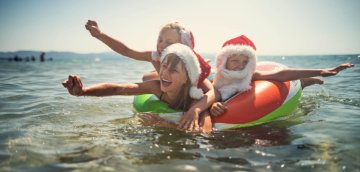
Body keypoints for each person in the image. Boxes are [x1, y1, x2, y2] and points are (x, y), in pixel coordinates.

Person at [85, 20, 214, 130]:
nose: (162, 45)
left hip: (182, 86)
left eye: (169, 43)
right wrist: (100, 35)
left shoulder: (191, 67)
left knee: (151, 77)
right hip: (166, 82)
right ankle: (156, 74)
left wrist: (203, 107)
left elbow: (212, 92)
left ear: (183, 46)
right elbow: (126, 51)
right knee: (147, 77)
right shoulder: (155, 56)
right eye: (160, 40)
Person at [63, 43, 215, 133]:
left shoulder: (195, 100)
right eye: (164, 66)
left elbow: (205, 133)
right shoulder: (156, 87)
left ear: (186, 79)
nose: (164, 74)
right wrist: (83, 92)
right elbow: (118, 89)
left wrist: (164, 124)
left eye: (173, 70)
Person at [210, 35, 354, 116]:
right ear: (223, 61)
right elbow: (208, 98)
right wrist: (214, 105)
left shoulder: (251, 75)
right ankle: (305, 81)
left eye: (245, 61)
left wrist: (321, 71)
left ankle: (306, 81)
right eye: (235, 60)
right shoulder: (216, 80)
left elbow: (279, 74)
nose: (240, 66)